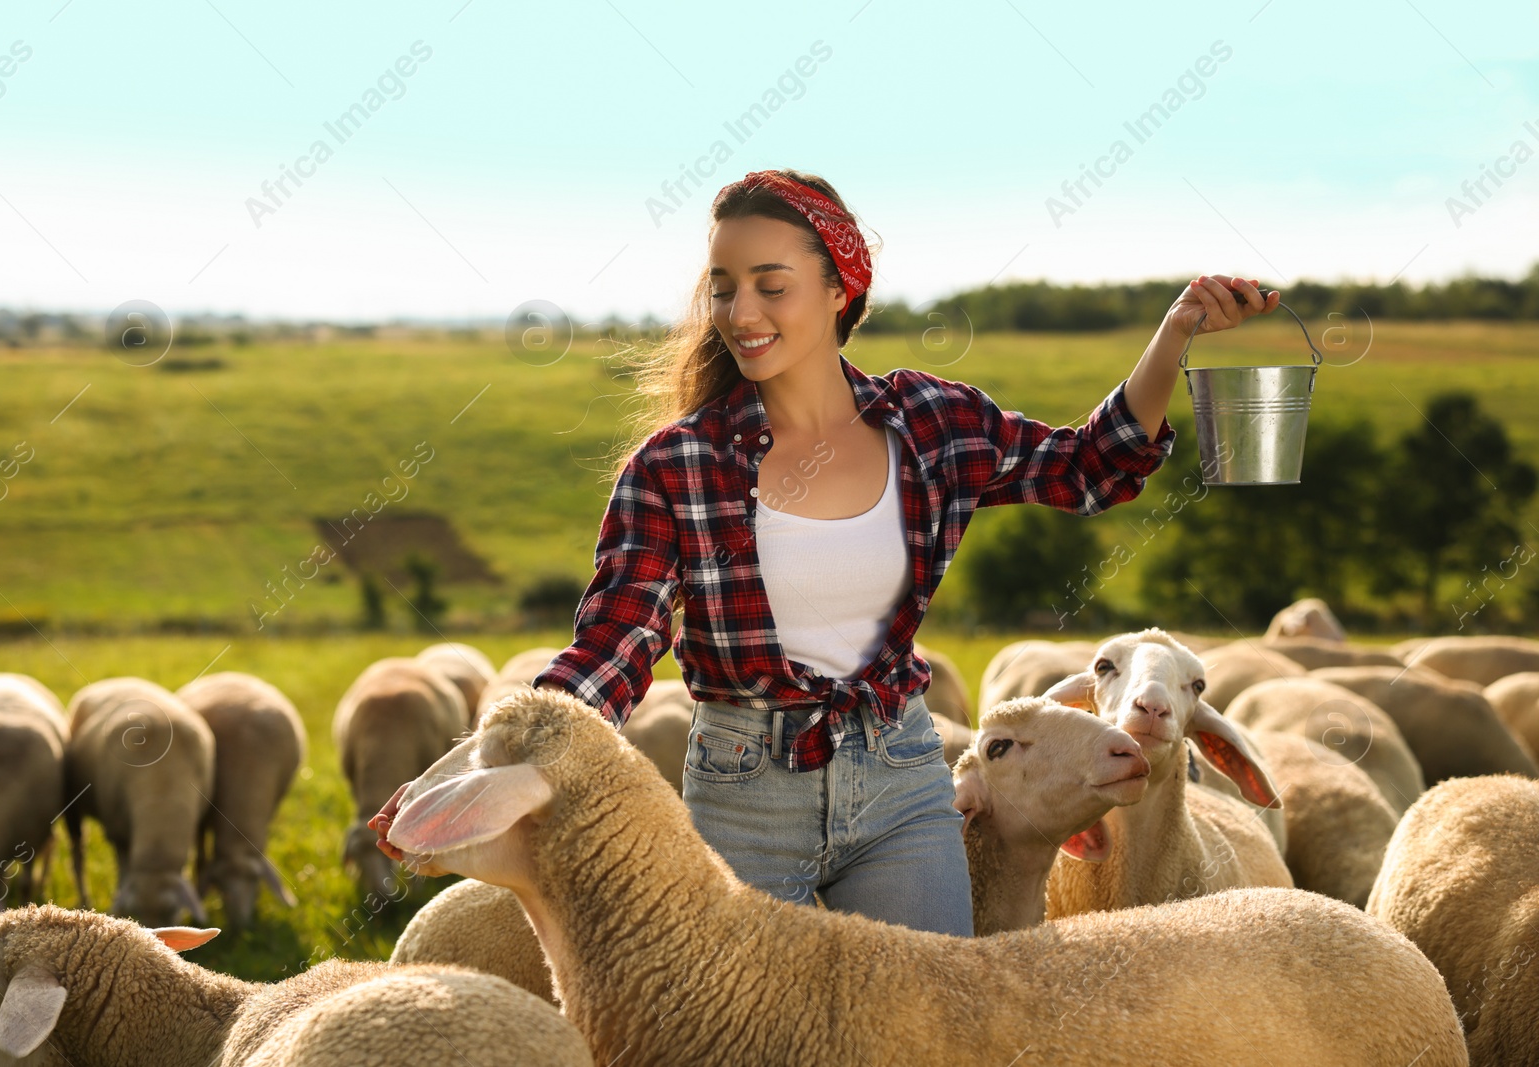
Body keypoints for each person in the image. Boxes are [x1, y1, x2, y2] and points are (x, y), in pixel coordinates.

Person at [391, 168, 1279, 936]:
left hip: (899, 776)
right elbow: (610, 655)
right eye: (724, 286)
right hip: (745, 791)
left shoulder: (931, 425)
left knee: (925, 1027)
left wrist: (1175, 334)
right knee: (739, 1038)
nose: (741, 312)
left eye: (771, 285)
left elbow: (1093, 467)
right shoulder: (675, 467)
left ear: (838, 288)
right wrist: (472, 763)